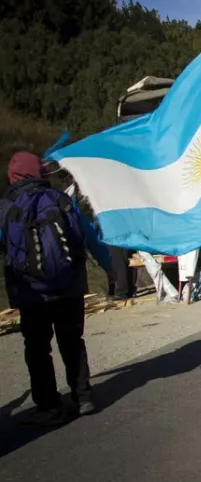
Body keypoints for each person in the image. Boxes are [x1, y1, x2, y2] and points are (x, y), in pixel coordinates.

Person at [0, 151, 113, 424]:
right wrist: (111, 269)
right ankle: (83, 397)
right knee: (73, 342)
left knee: (37, 348)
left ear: (13, 176)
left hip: (30, 291)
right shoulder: (61, 200)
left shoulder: (6, 207)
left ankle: (49, 406)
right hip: (69, 285)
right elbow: (88, 237)